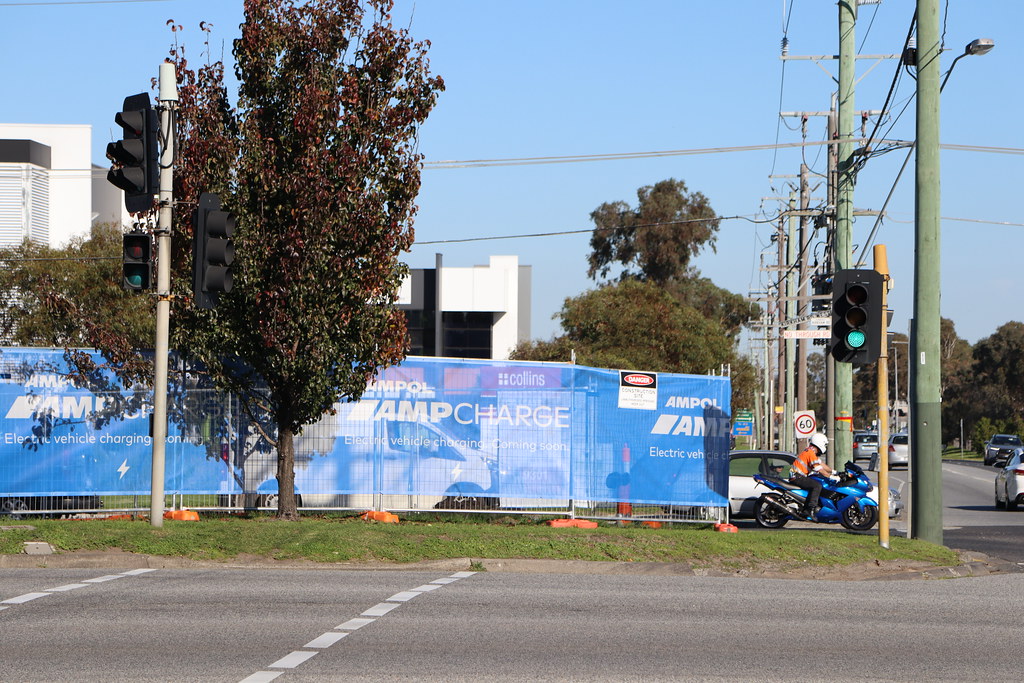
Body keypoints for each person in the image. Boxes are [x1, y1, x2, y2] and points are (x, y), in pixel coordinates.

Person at [790, 432, 833, 519]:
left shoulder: (810, 452)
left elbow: (822, 465)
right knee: (817, 486)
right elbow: (819, 469)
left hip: (797, 476)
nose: (825, 447)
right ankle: (810, 509)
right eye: (824, 444)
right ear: (820, 443)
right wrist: (832, 477)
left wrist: (834, 471)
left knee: (816, 482)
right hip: (797, 476)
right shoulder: (810, 453)